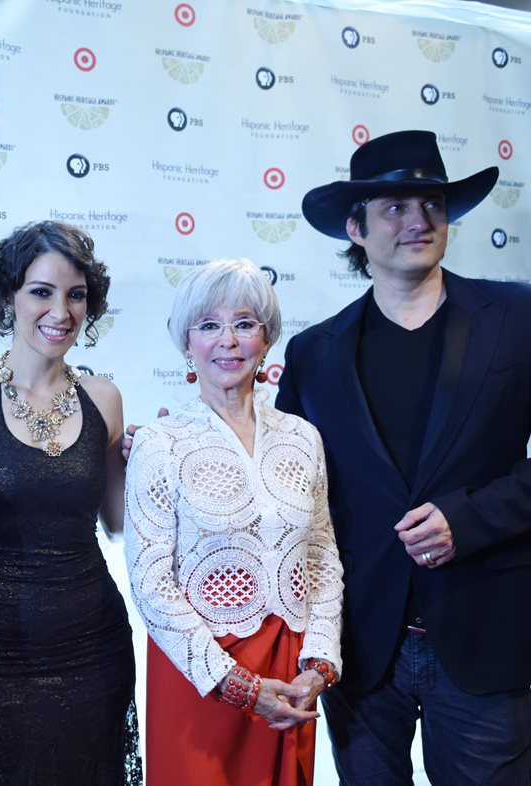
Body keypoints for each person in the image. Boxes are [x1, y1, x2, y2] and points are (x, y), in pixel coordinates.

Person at [277, 129, 531, 783]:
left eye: (432, 204)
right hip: (359, 648)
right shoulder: (314, 354)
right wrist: (178, 452)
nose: (419, 221)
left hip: (486, 635)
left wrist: (469, 519)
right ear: (355, 228)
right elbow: (284, 483)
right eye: (394, 207)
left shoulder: (522, 317)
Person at [0, 221, 142, 785]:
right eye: (42, 291)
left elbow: (119, 524)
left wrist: (153, 465)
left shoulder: (105, 397)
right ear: (8, 297)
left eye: (77, 295)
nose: (62, 311)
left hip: (93, 648)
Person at [124, 258, 343, 785]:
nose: (228, 340)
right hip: (199, 673)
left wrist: (319, 664)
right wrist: (238, 686)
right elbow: (150, 583)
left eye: (244, 324)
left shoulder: (302, 437)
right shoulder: (159, 442)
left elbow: (323, 558)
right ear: (187, 344)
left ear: (266, 341)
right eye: (209, 326)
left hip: (292, 673)